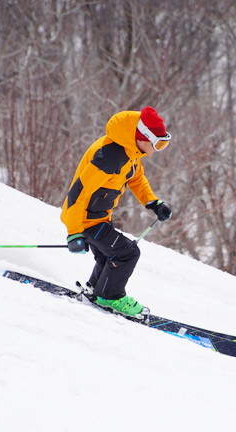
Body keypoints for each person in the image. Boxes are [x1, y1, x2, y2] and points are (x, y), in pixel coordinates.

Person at [60, 106, 173, 317]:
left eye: (163, 144)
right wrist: (74, 232)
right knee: (127, 253)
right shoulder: (110, 158)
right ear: (142, 137)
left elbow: (136, 178)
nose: (156, 150)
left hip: (98, 217)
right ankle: (110, 297)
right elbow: (79, 193)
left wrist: (153, 203)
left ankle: (96, 290)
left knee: (108, 255)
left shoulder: (130, 151)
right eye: (157, 144)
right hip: (85, 219)